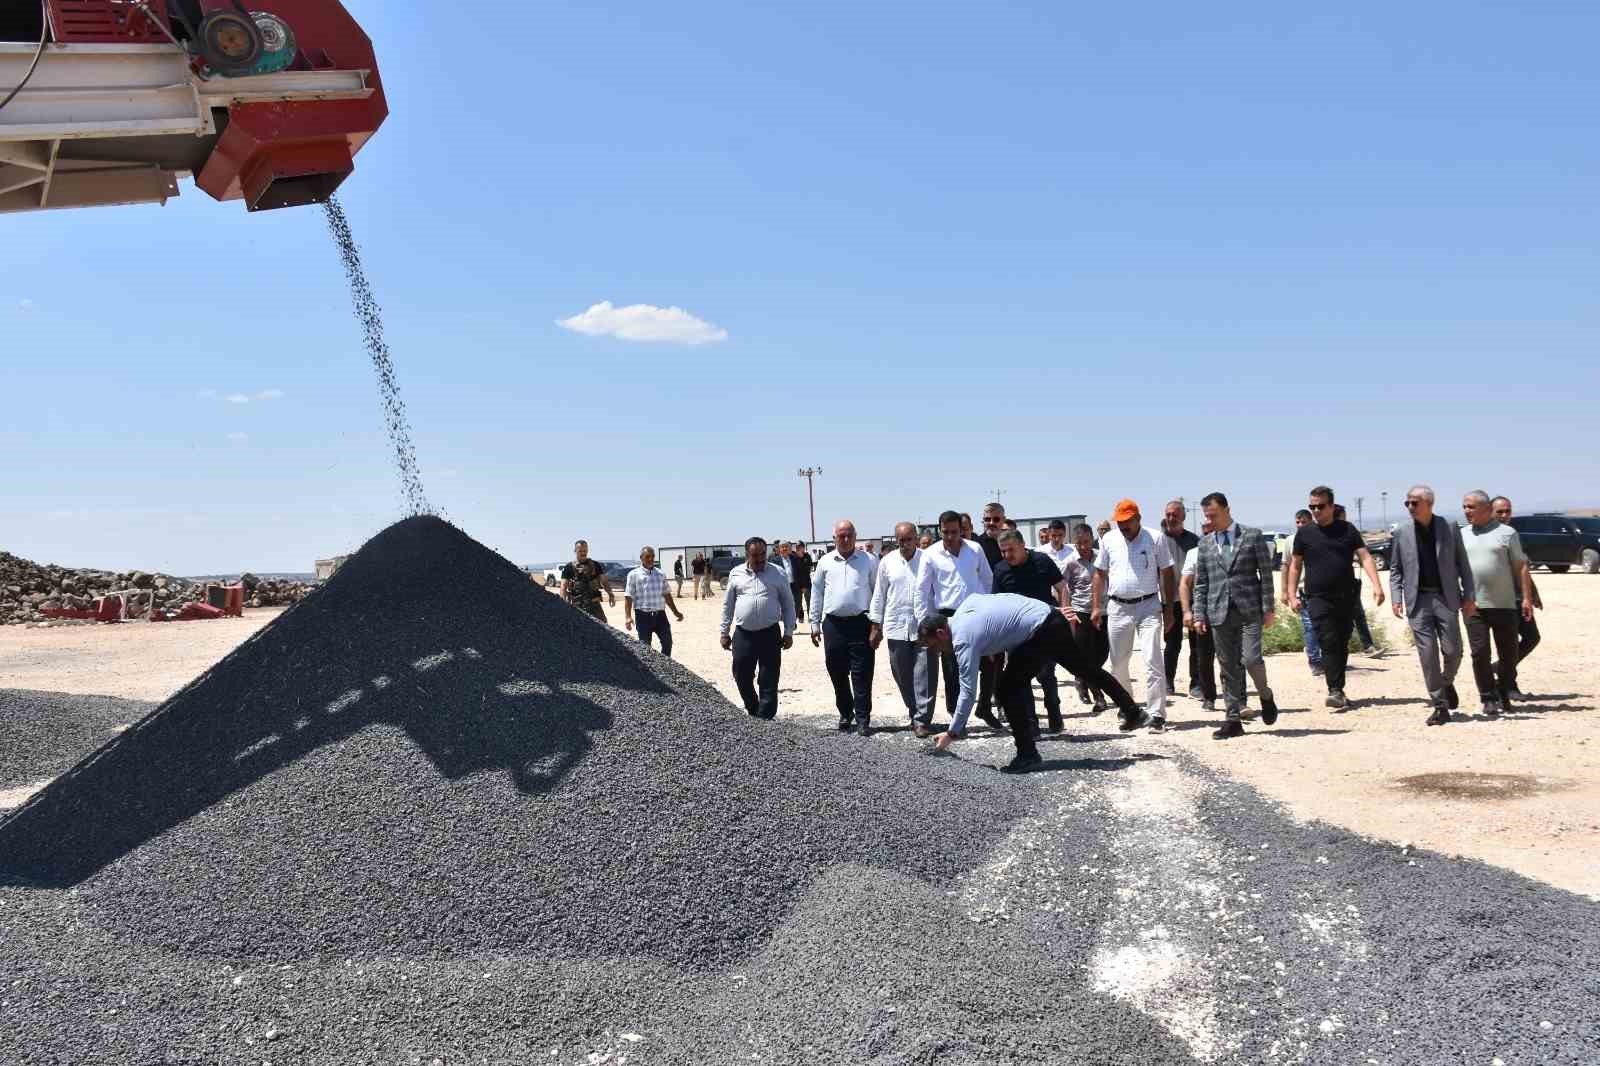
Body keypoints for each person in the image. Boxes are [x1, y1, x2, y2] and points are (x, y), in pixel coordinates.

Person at [920, 594, 1141, 772]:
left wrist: (951, 733)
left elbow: (968, 693)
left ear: (941, 633)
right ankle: (1132, 711)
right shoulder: (964, 609)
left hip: (1043, 630)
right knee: (1083, 670)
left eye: (933, 646)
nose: (935, 652)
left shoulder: (963, 639)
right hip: (1046, 618)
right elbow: (1003, 609)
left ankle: (1027, 755)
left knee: (1008, 688)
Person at [1283, 486, 1384, 710]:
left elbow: (1365, 557)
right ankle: (1334, 690)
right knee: (1327, 640)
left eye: (1320, 506)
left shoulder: (1347, 530)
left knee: (1342, 641)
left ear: (1331, 506)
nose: (1316, 510)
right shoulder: (1305, 533)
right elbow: (1295, 565)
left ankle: (1338, 688)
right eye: (1312, 507)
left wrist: (1377, 585)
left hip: (1346, 597)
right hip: (1317, 598)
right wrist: (1291, 594)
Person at [1190, 493, 1280, 739]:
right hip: (1218, 613)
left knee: (1251, 659)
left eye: (1214, 515)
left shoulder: (1252, 536)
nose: (1210, 521)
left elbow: (1266, 575)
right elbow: (1201, 584)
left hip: (1249, 611)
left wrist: (1268, 608)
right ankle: (1232, 719)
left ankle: (1265, 695)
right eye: (1207, 516)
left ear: (1227, 510)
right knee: (1227, 666)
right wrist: (1199, 614)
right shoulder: (1205, 544)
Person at [1388, 485, 1476, 725]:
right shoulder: (1402, 532)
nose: (1410, 507)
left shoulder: (1448, 527)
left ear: (1429, 503)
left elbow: (1463, 564)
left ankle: (1446, 683)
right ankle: (1439, 705)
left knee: (1454, 650)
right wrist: (1396, 598)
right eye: (1407, 503)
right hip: (1417, 603)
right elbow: (1395, 569)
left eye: (1414, 503)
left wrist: (1469, 595)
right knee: (1428, 655)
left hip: (1445, 598)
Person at [1091, 499, 1176, 732]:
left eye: (1127, 522)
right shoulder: (1108, 540)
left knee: (1152, 659)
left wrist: (1169, 609)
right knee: (1118, 663)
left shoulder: (1155, 538)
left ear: (1138, 518)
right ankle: (1128, 709)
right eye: (1119, 522)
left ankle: (1157, 714)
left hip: (1148, 606)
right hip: (1118, 608)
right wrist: (1097, 606)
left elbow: (1167, 573)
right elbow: (1099, 573)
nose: (1123, 527)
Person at [913, 509, 998, 728]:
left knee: (989, 662)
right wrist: (924, 623)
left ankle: (984, 707)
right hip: (947, 617)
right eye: (946, 532)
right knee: (952, 670)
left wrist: (986, 606)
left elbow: (987, 579)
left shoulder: (975, 549)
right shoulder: (930, 554)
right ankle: (955, 717)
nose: (950, 537)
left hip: (976, 614)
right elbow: (922, 591)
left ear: (962, 530)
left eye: (955, 532)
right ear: (940, 530)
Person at [1459, 490, 1534, 717]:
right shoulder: (1461, 534)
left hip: (1504, 604)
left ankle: (1504, 691)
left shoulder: (1507, 533)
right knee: (1479, 653)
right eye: (1464, 506)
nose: (1466, 511)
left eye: (1471, 507)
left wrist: (1527, 598)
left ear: (1485, 509)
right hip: (1474, 605)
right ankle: (1488, 698)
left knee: (1509, 653)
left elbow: (1521, 566)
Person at [990, 528, 1069, 732]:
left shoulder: (1041, 561)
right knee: (1021, 678)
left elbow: (1062, 587)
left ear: (1022, 545)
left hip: (1045, 628)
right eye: (1003, 551)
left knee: (1045, 674)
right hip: (1015, 633)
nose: (1008, 555)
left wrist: (1065, 613)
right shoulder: (1000, 570)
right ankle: (1031, 724)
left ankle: (1054, 712)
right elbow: (997, 603)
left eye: (1011, 550)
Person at [810, 520, 879, 734]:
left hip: (861, 623)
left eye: (849, 535)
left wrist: (877, 624)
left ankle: (863, 718)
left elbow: (878, 592)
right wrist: (814, 623)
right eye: (841, 535)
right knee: (837, 671)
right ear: (834, 538)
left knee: (862, 672)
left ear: (856, 536)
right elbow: (817, 592)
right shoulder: (825, 562)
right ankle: (845, 712)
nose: (846, 539)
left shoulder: (869, 561)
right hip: (833, 625)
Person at [719, 537, 797, 719]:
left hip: (770, 634)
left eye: (763, 554)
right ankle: (754, 710)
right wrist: (724, 632)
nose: (761, 559)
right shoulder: (736, 574)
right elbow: (728, 605)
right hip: (743, 634)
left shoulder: (777, 573)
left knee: (769, 678)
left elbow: (788, 604)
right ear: (747, 555)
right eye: (756, 555)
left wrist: (788, 632)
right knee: (741, 675)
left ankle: (766, 719)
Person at [870, 523, 936, 736]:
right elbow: (879, 594)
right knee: (902, 674)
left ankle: (922, 720)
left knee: (926, 674)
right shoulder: (887, 562)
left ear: (916, 539)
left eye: (909, 539)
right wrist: (875, 625)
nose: (905, 544)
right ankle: (913, 710)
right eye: (901, 540)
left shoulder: (928, 560)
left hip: (923, 627)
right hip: (897, 626)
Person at [1491, 496, 1542, 695]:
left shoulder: (1512, 534)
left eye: (1508, 511)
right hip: (1501, 599)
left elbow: (1523, 567)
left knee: (1531, 637)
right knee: (1509, 642)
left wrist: (1533, 594)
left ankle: (1500, 669)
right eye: (1500, 512)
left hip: (1520, 597)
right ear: (1490, 512)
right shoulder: (1488, 537)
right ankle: (1509, 685)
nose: (1504, 516)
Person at [1062, 523, 1110, 712]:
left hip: (1103, 610)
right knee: (1086, 655)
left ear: (1092, 539)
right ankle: (1099, 696)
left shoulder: (1102, 557)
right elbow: (1061, 587)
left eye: (1086, 542)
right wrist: (1067, 610)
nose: (1083, 547)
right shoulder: (1070, 562)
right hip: (1081, 611)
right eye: (1079, 543)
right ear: (1074, 543)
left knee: (1103, 652)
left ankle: (1082, 677)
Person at [1160, 500, 1203, 700]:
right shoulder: (1158, 542)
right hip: (1168, 602)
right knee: (1172, 643)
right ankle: (1167, 681)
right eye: (1168, 514)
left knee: (1196, 644)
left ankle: (1196, 684)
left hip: (1193, 600)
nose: (1171, 518)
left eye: (1175, 514)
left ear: (1183, 516)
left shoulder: (1195, 540)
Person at [1176, 520, 1219, 712]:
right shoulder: (1194, 553)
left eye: (1210, 529)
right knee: (1203, 655)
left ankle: (1239, 697)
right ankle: (1208, 695)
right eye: (1204, 530)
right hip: (1202, 610)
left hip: (1228, 609)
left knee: (1234, 656)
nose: (1207, 532)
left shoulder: (1228, 548)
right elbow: (1185, 583)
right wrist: (1187, 611)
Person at [974, 502, 1009, 724]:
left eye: (996, 519)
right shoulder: (976, 546)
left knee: (1001, 660)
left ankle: (999, 702)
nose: (992, 524)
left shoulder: (1010, 541)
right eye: (987, 519)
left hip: (1006, 607)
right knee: (989, 660)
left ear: (1003, 520)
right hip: (983, 608)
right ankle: (986, 704)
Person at [1334, 505, 1381, 656]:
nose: (1345, 519)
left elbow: (1363, 555)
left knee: (1358, 614)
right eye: (1343, 516)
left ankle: (1368, 646)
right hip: (1330, 586)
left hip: (1348, 583)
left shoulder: (1348, 531)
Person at [1282, 509, 1324, 676]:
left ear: (1311, 521)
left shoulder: (1319, 536)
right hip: (1302, 589)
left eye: (1303, 522)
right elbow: (1285, 566)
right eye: (1297, 522)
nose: (1300, 525)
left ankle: (1324, 656)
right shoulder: (1290, 541)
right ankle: (1314, 660)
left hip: (1320, 589)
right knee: (1309, 625)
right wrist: (1285, 592)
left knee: (1323, 626)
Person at [623, 546, 684, 657]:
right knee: (645, 648)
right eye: (647, 557)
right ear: (641, 558)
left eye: (652, 556)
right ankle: (649, 672)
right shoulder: (633, 575)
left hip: (660, 615)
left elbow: (667, 594)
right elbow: (628, 596)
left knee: (667, 643)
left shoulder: (660, 574)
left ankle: (665, 667)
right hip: (643, 616)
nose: (651, 559)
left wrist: (676, 612)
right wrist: (628, 616)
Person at [560, 540, 615, 622]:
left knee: (603, 626)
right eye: (580, 551)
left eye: (585, 550)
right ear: (575, 551)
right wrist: (562, 603)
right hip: (577, 604)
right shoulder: (569, 567)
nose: (583, 553)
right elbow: (563, 586)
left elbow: (604, 582)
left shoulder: (595, 565)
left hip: (594, 604)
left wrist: (611, 594)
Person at [788, 541, 813, 618]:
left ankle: (810, 616)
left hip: (807, 583)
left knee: (809, 601)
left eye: (800, 547)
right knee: (798, 602)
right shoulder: (793, 556)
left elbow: (810, 567)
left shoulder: (807, 556)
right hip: (797, 584)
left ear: (803, 547)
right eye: (797, 547)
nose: (798, 548)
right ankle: (800, 616)